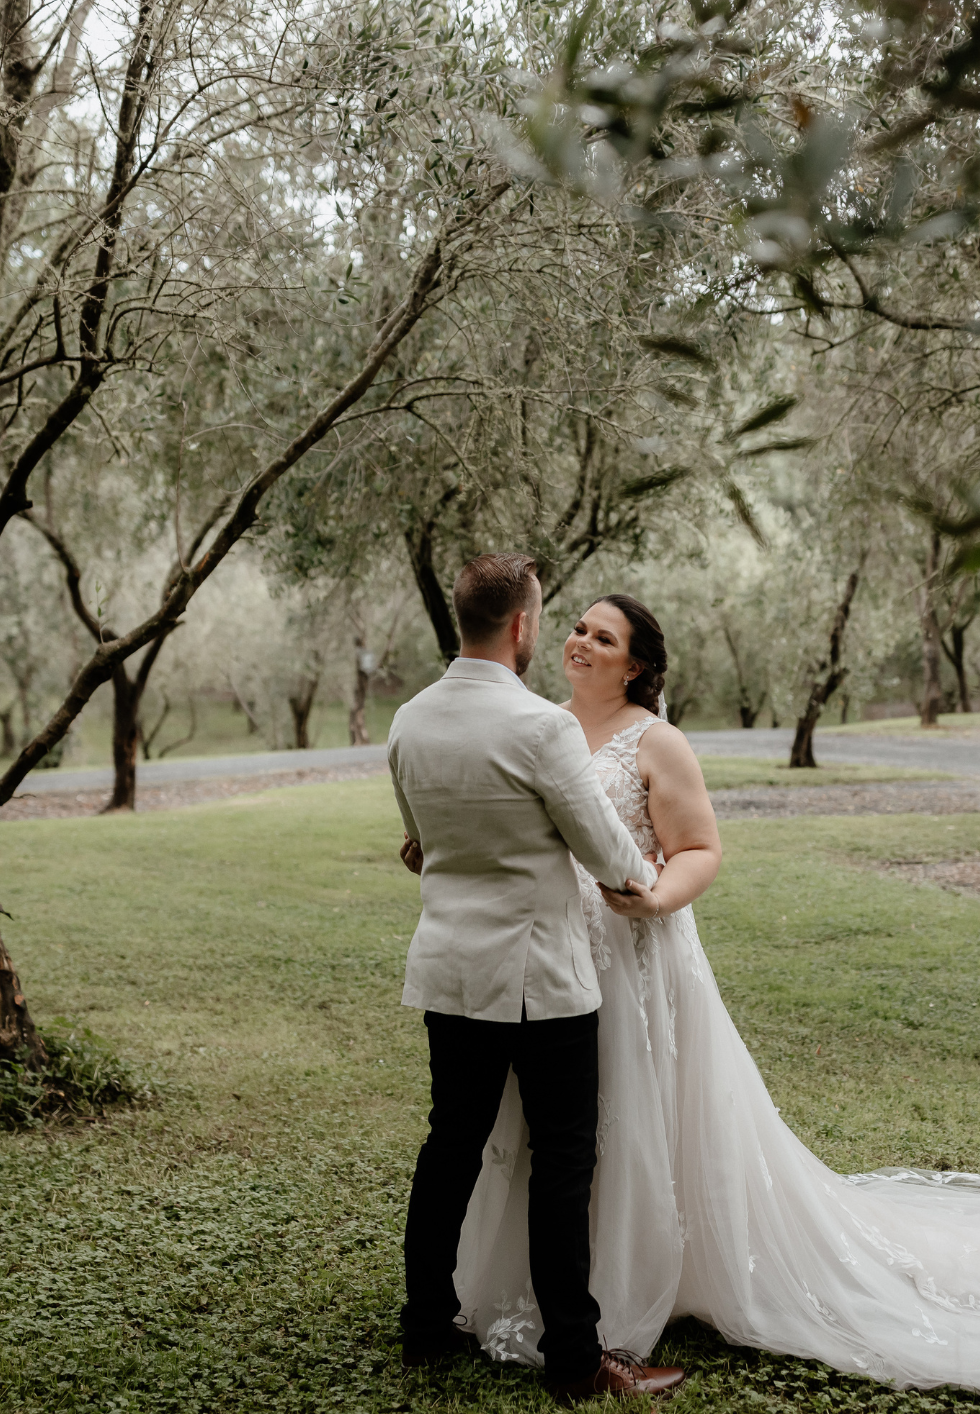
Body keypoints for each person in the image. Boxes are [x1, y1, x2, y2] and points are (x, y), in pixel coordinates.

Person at [444, 592, 980, 1399]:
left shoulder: (655, 743)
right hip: (553, 958)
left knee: (632, 1113)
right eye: (579, 628)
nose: (581, 643)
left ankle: (632, 1286)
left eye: (604, 637)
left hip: (635, 952)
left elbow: (698, 848)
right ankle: (548, 1286)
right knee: (553, 1129)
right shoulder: (543, 726)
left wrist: (656, 899)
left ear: (636, 668)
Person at [388, 553, 688, 1404]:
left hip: (449, 971)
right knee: (564, 1162)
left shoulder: (408, 720)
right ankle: (574, 1359)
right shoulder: (542, 728)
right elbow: (610, 856)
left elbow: (419, 844)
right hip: (540, 980)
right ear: (522, 624)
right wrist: (643, 874)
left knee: (451, 1147)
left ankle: (424, 1324)